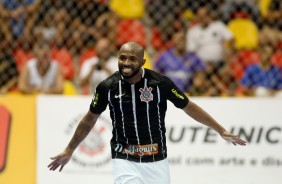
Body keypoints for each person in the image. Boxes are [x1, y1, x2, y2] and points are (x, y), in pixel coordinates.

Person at [48, 42, 246, 184]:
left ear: (143, 62)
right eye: (122, 58)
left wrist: (220, 129)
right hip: (123, 156)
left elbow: (188, 106)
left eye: (132, 59)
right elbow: (90, 119)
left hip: (156, 158)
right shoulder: (107, 86)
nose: (126, 63)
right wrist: (69, 149)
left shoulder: (160, 84)